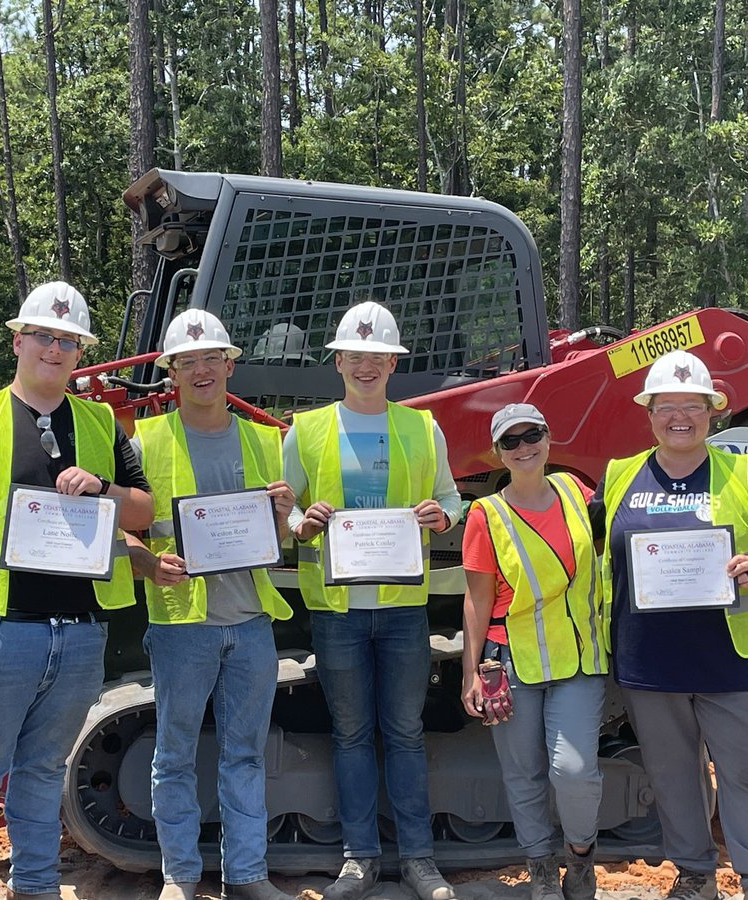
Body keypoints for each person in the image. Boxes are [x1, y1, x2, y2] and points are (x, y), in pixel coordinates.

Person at [0, 281, 154, 900]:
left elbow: (142, 509)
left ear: (78, 352)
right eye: (44, 335)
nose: (55, 348)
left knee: (43, 774)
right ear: (18, 341)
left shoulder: (99, 422)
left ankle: (36, 888)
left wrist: (103, 488)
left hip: (77, 635)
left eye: (68, 340)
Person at [590, 350, 748, 900]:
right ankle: (693, 875)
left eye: (693, 406)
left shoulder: (743, 474)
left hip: (735, 663)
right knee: (673, 780)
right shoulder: (620, 478)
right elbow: (588, 546)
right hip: (650, 663)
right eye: (667, 406)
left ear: (712, 412)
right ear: (650, 413)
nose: (679, 417)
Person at [283, 301, 462, 900]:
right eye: (354, 357)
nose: (365, 366)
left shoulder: (421, 427)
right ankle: (360, 858)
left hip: (402, 608)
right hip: (336, 611)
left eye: (376, 357)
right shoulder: (305, 431)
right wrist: (300, 522)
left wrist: (441, 515)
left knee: (405, 732)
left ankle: (418, 859)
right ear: (339, 363)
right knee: (352, 734)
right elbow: (283, 508)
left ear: (392, 362)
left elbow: (450, 501)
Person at [126, 308, 296, 900]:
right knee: (173, 754)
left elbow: (289, 531)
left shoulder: (263, 439)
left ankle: (246, 875)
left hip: (250, 621)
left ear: (229, 365)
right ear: (171, 372)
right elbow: (117, 528)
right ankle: (179, 876)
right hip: (181, 625)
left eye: (211, 359)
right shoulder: (144, 441)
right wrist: (147, 561)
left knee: (244, 755)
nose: (201, 371)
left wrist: (287, 514)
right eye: (187, 362)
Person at [460, 403, 607, 900]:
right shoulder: (486, 515)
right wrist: (470, 674)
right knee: (522, 773)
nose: (524, 447)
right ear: (498, 453)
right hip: (513, 662)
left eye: (533, 435)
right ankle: (541, 868)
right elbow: (477, 598)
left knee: (574, 770)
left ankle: (580, 857)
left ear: (549, 438)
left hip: (579, 659)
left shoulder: (575, 490)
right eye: (512, 441)